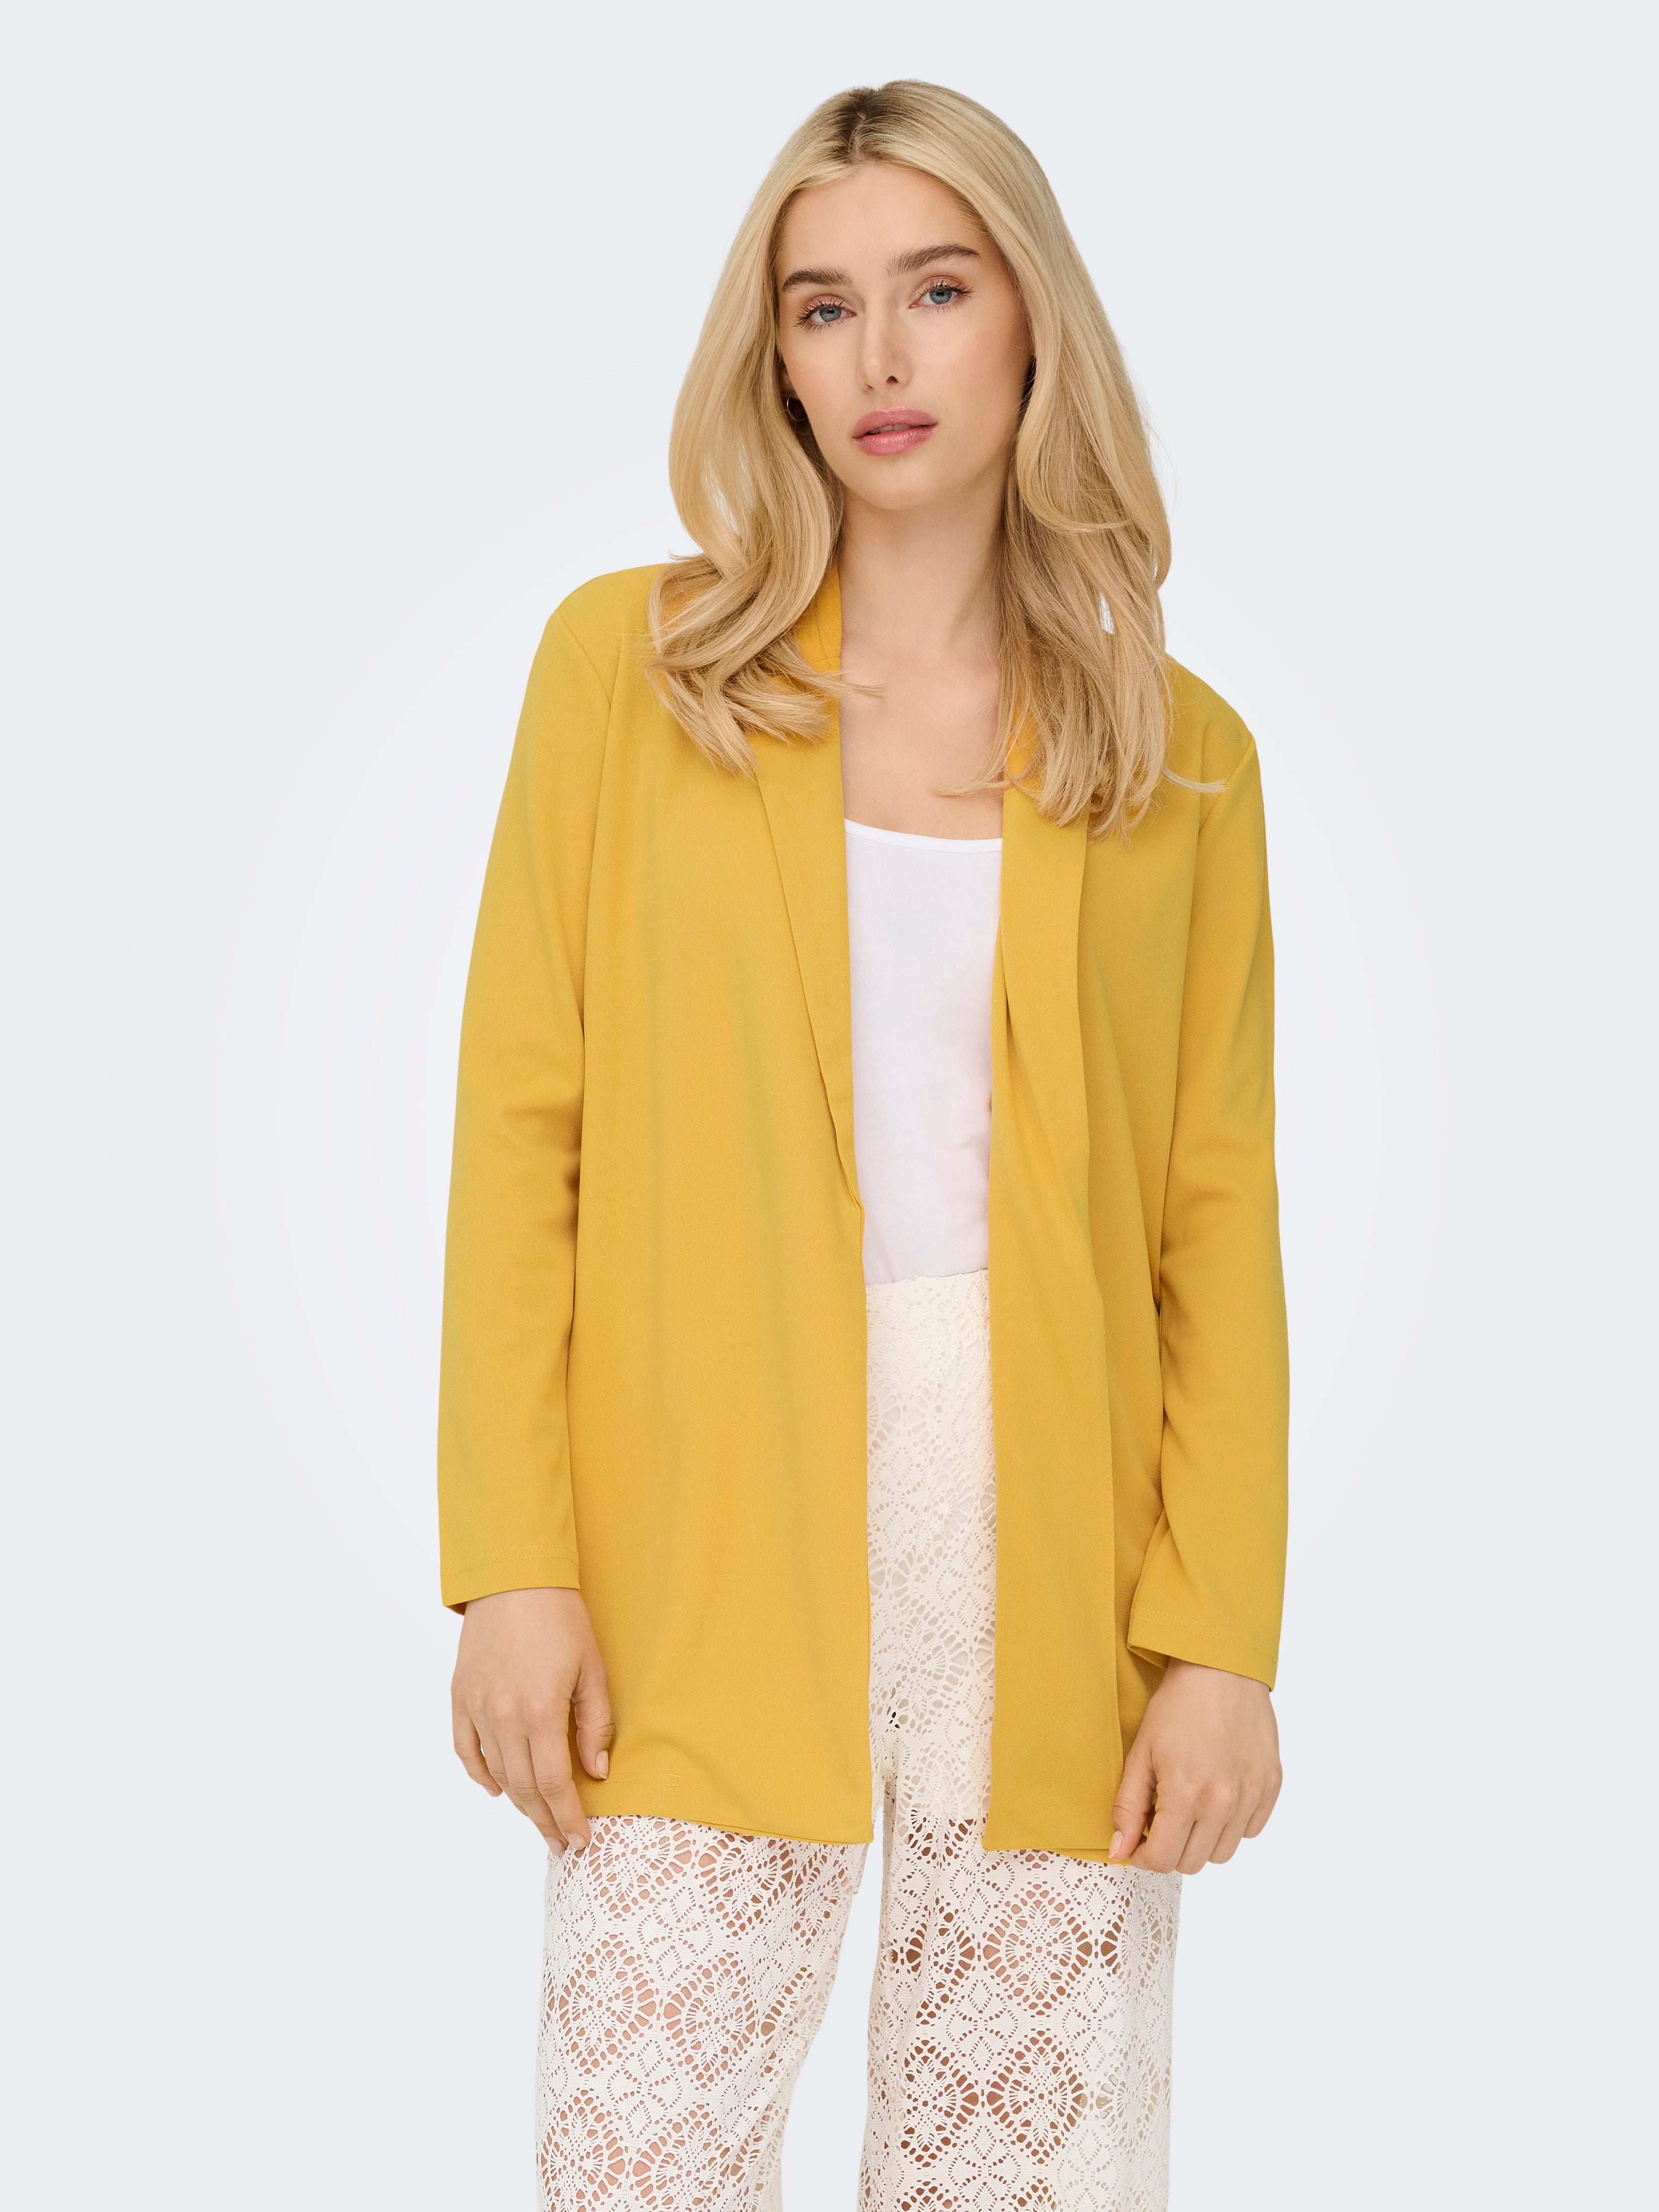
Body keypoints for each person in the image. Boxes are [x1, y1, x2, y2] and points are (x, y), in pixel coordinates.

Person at [438, 78, 1288, 2212]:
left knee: (1021, 2178)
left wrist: (1218, 1640)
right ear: (776, 356)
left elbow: (1211, 1219)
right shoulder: (632, 676)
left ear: (1033, 319)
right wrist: (513, 1562)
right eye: (822, 307)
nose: (880, 355)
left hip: (1063, 1567)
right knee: (639, 2164)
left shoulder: (1177, 759)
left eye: (937, 289)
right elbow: (520, 1125)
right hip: (704, 1534)